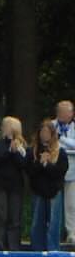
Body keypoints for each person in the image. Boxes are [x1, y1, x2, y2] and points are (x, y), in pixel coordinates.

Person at [29, 119, 69, 253]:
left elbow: (61, 171)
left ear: (52, 135)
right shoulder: (33, 151)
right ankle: (37, 249)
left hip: (54, 191)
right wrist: (41, 163)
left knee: (53, 223)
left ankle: (53, 249)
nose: (44, 135)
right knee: (37, 222)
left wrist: (48, 165)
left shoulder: (60, 152)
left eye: (47, 132)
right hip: (38, 191)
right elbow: (30, 171)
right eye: (42, 132)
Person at [0, 116, 28, 251]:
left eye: (4, 126)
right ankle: (0, 243)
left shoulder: (22, 145)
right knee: (1, 214)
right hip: (0, 184)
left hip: (16, 186)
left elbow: (23, 164)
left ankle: (13, 245)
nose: (2, 129)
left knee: (14, 216)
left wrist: (15, 152)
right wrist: (8, 152)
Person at [57, 100, 75, 245]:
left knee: (71, 204)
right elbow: (49, 143)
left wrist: (61, 139)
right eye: (60, 111)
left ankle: (71, 233)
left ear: (71, 113)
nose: (62, 114)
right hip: (54, 171)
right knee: (54, 203)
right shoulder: (51, 125)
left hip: (72, 171)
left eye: (65, 111)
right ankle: (55, 232)